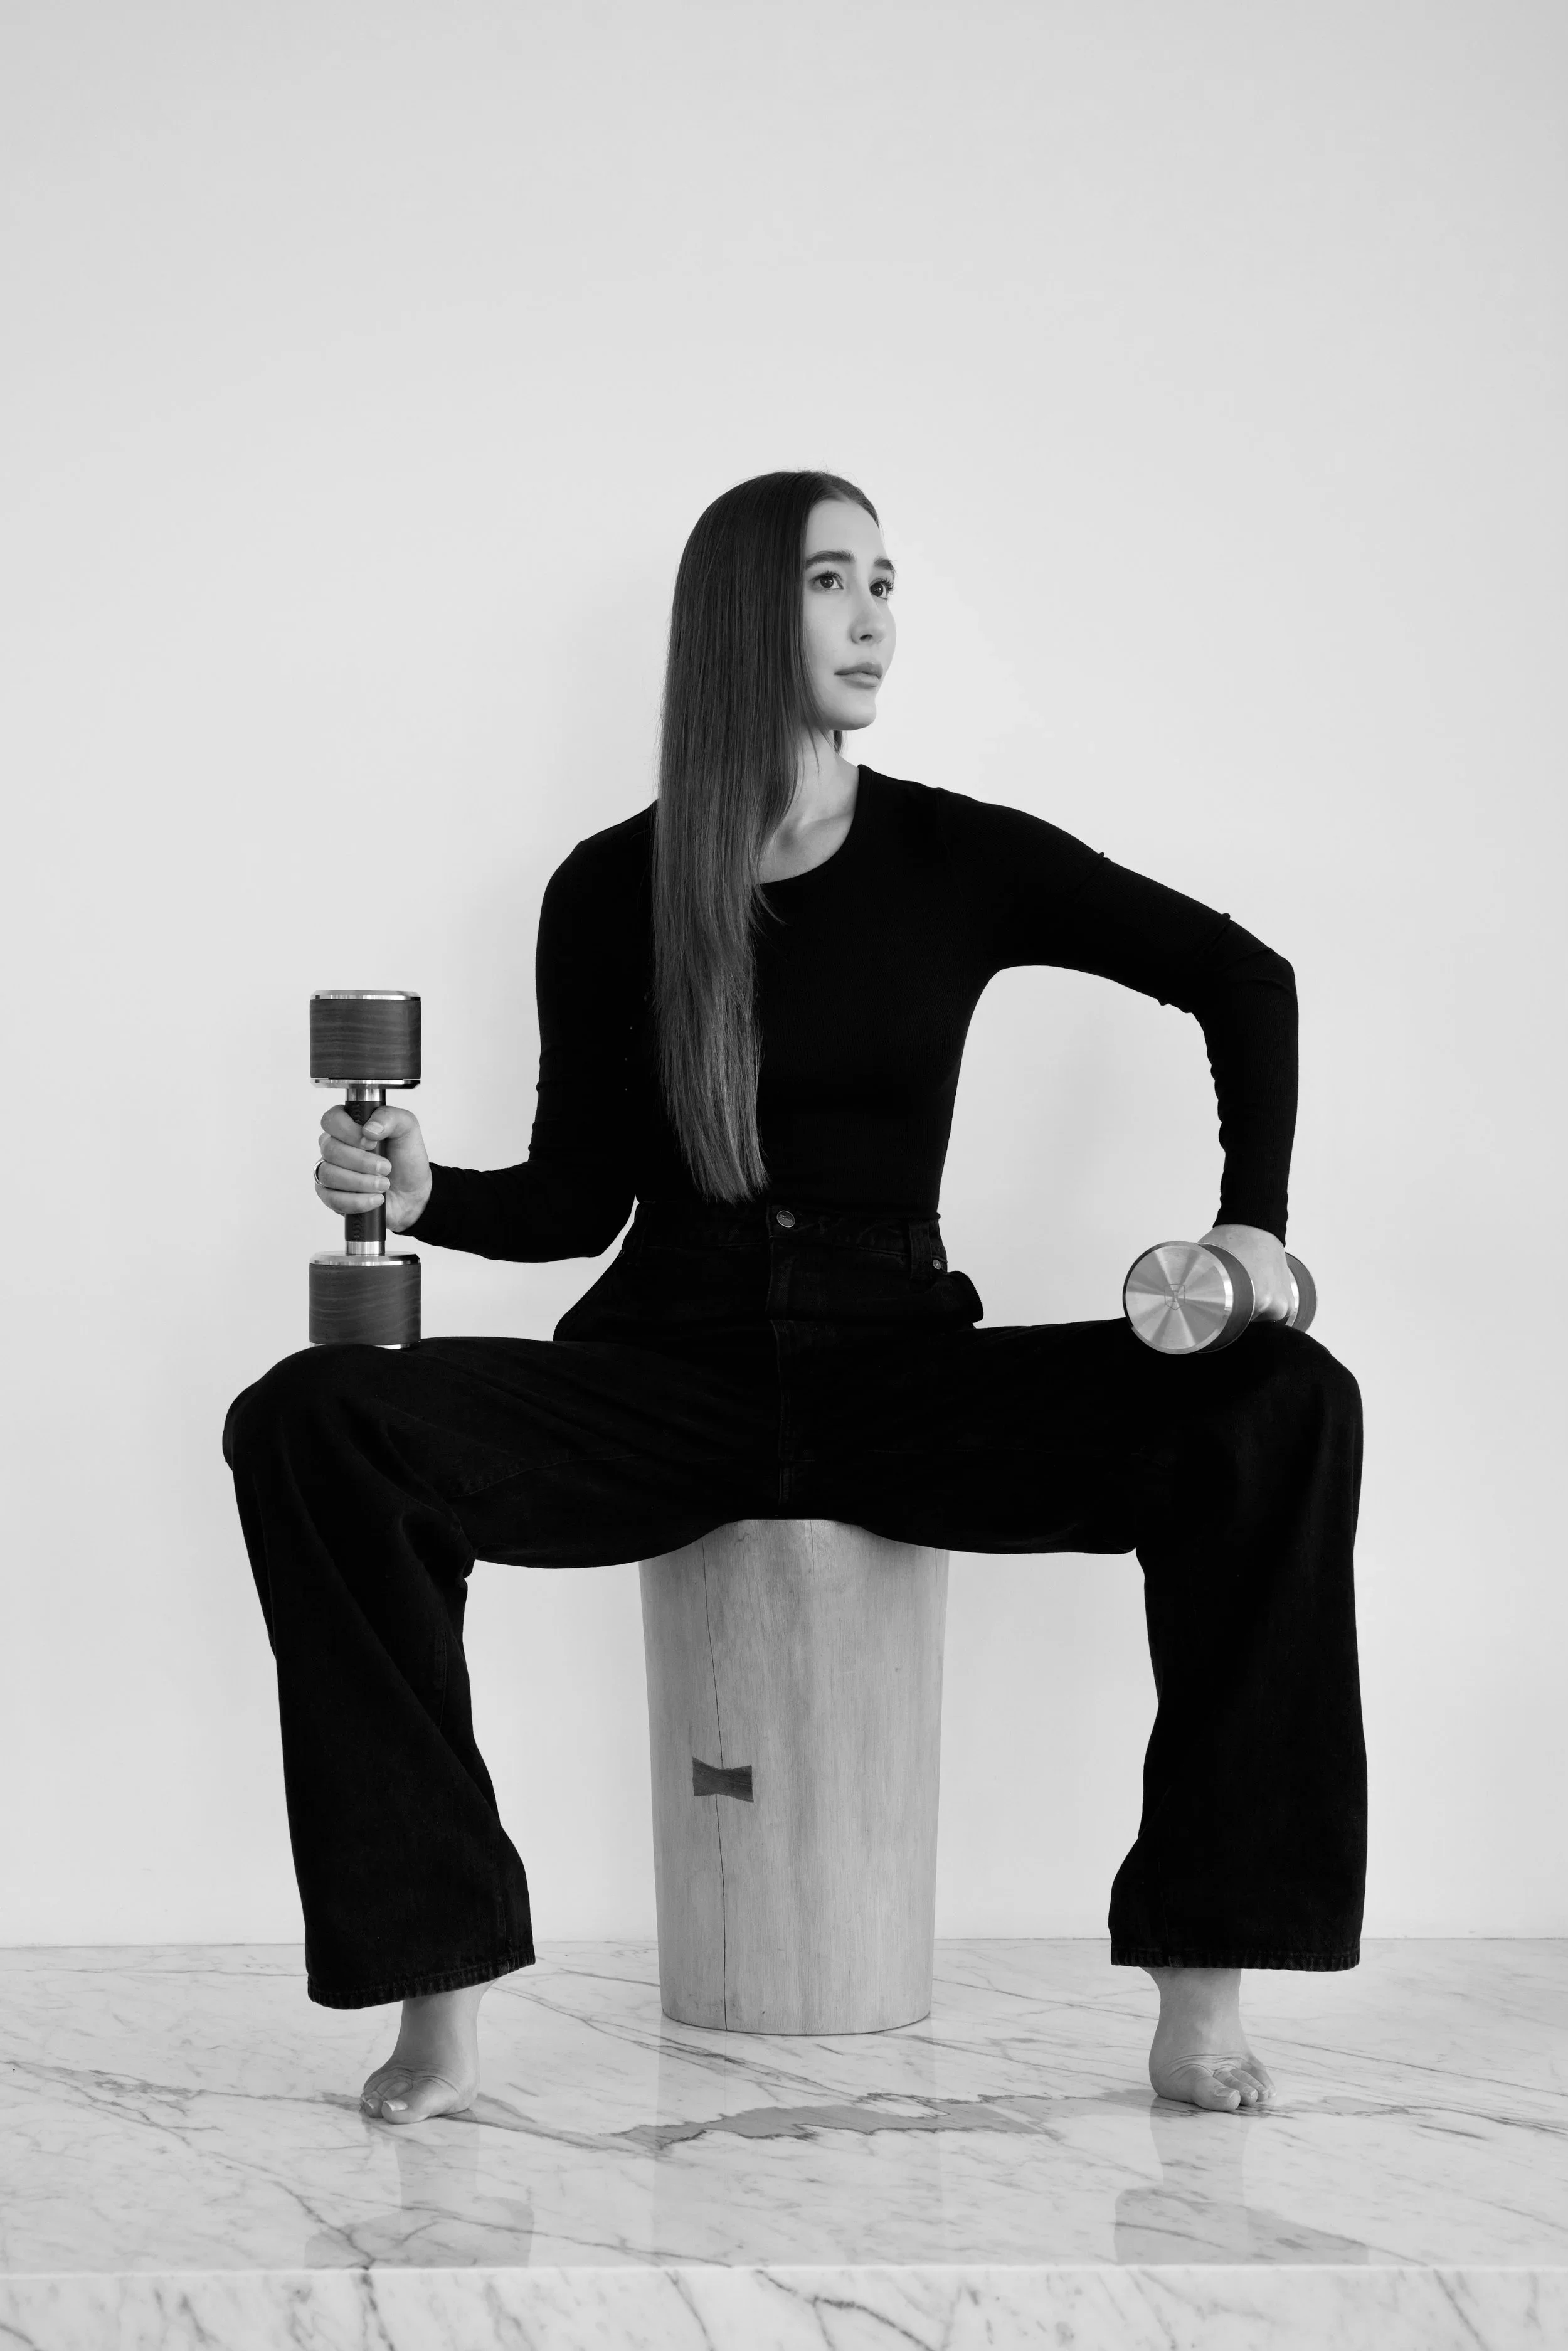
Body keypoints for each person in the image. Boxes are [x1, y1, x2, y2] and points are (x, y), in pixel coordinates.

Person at [223, 470, 1365, 2126]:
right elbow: (575, 1196)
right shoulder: (611, 886)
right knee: (309, 1419)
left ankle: (1205, 1984)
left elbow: (1240, 977)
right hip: (661, 1375)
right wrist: (427, 1196)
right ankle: (437, 1993)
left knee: (1282, 1402)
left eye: (884, 582)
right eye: (835, 581)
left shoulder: (952, 854)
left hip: (900, 1372)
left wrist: (1249, 1229)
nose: (873, 617)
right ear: (748, 614)